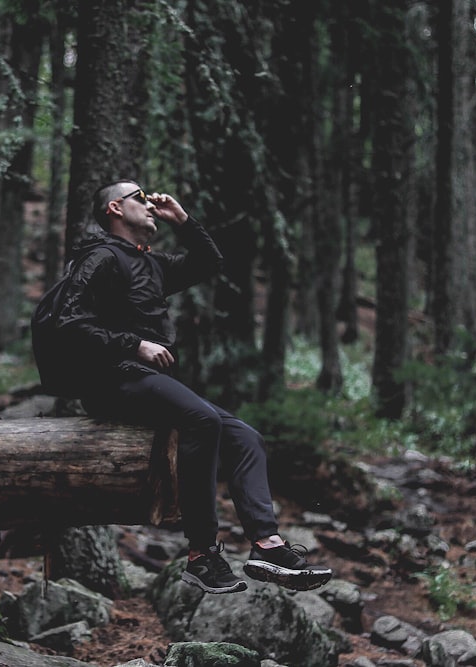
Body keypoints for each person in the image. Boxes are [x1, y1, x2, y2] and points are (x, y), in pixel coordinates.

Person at [52, 179, 334, 594]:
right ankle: (202, 554)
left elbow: (209, 262)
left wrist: (183, 221)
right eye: (140, 198)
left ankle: (266, 544)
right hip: (112, 382)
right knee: (202, 419)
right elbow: (68, 323)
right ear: (114, 208)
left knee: (244, 437)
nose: (149, 204)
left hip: (148, 382)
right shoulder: (100, 259)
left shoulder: (148, 263)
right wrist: (135, 344)